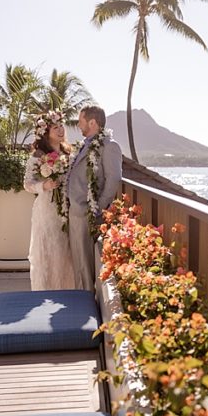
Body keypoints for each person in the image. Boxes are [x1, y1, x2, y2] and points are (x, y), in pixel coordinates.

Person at [65, 105, 122, 291]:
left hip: (88, 213)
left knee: (88, 265)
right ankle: (81, 301)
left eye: (81, 121)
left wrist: (97, 208)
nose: (78, 125)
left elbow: (113, 179)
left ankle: (87, 309)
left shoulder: (109, 146)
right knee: (80, 265)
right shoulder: (84, 144)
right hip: (74, 213)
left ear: (92, 122)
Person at [22, 110, 74, 290]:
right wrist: (44, 186)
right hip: (47, 209)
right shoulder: (38, 155)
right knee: (48, 250)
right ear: (45, 132)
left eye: (61, 126)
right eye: (55, 128)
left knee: (65, 251)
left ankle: (67, 290)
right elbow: (27, 184)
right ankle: (46, 290)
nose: (60, 130)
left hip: (69, 208)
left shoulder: (69, 152)